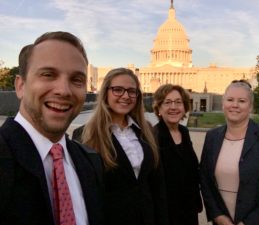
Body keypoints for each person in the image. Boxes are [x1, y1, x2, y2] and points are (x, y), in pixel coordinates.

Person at [0, 31, 104, 225]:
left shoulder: (90, 161)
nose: (63, 90)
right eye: (48, 74)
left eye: (76, 80)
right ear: (20, 85)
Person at [72, 67, 169, 225]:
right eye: (118, 90)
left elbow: (158, 186)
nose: (126, 96)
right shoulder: (84, 135)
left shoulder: (148, 131)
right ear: (106, 93)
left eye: (132, 91)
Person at [199, 80, 259, 225]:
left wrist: (247, 223)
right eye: (230, 100)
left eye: (241, 101)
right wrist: (218, 216)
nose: (235, 105)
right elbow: (205, 180)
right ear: (223, 104)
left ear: (250, 106)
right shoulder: (212, 137)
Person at [152, 84, 202, 225]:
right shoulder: (153, 136)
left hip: (188, 210)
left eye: (178, 102)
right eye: (167, 102)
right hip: (166, 215)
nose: (173, 107)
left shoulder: (184, 132)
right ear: (159, 109)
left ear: (185, 107)